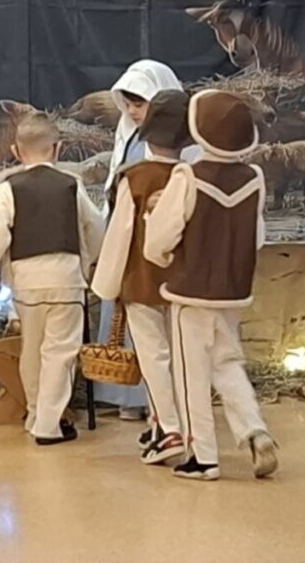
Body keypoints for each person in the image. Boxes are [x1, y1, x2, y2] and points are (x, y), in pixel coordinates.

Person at [145, 89, 279, 481]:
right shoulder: (254, 178)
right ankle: (255, 430)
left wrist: (161, 255)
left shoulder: (187, 176)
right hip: (232, 293)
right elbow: (257, 238)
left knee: (191, 375)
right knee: (227, 362)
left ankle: (202, 456)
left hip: (190, 291)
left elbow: (160, 238)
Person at [0, 112, 104, 445]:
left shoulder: (8, 188)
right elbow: (95, 225)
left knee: (32, 351)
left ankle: (36, 413)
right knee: (60, 353)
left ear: (15, 150)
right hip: (66, 280)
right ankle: (49, 426)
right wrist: (90, 262)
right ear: (58, 148)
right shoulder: (72, 184)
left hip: (26, 283)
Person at [95, 59, 199, 420]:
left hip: (167, 253)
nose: (133, 112)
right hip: (132, 252)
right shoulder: (128, 136)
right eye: (128, 104)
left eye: (140, 104)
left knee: (164, 336)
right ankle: (130, 398)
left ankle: (166, 410)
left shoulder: (184, 148)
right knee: (131, 326)